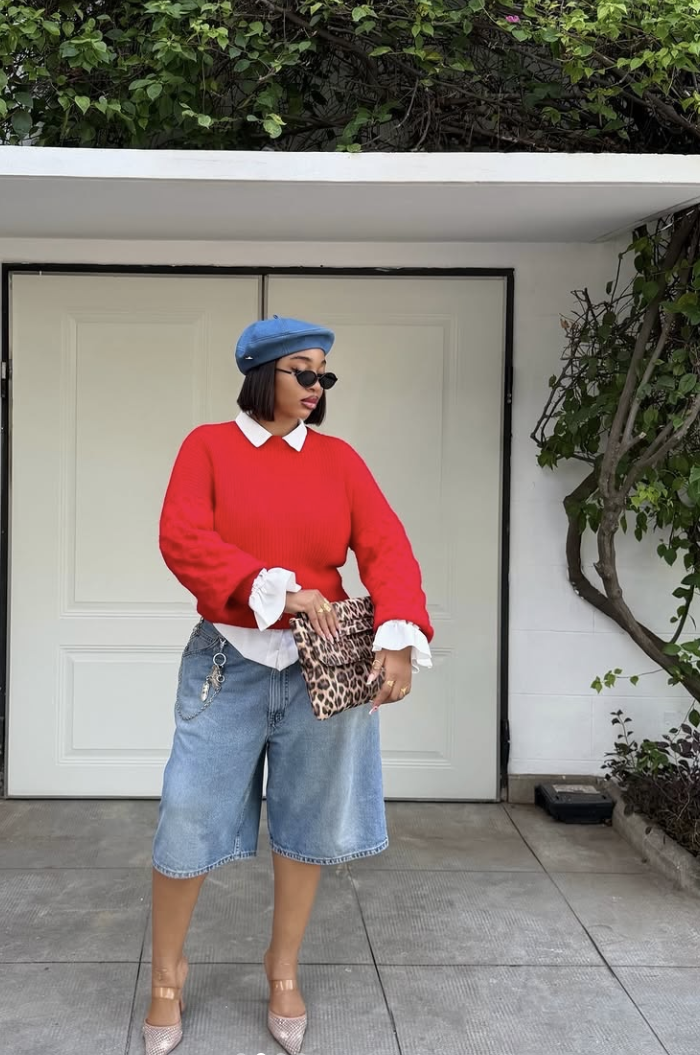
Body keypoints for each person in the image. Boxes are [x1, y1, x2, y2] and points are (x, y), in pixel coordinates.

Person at [144, 315, 434, 1055]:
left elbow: (387, 545)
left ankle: (282, 969)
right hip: (228, 661)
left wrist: (399, 634)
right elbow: (183, 538)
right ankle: (167, 978)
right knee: (188, 814)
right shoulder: (208, 447)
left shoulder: (339, 461)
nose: (316, 385)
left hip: (324, 669)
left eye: (324, 374)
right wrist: (275, 589)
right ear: (261, 372)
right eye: (303, 371)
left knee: (308, 822)